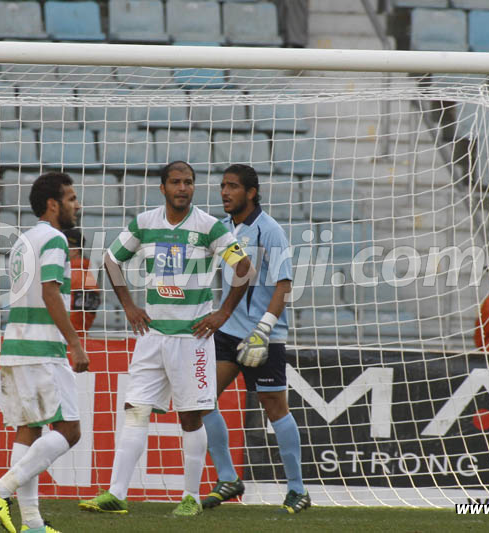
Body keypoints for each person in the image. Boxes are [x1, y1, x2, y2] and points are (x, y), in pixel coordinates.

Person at [78, 161, 254, 517]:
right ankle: (116, 493)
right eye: (175, 182)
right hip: (152, 335)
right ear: (163, 188)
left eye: (188, 182)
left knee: (191, 417)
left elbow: (244, 267)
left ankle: (190, 497)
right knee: (135, 410)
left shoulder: (209, 226)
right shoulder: (145, 223)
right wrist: (129, 306)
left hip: (192, 339)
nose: (182, 188)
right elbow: (111, 260)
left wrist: (222, 313)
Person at [0, 172, 90, 533]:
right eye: (71, 199)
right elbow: (49, 292)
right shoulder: (56, 240)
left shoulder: (23, 240)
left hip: (15, 345)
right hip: (43, 349)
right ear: (53, 204)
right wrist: (75, 343)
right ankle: (2, 489)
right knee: (69, 430)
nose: (77, 205)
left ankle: (32, 523)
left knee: (29, 430)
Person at [201, 164, 310, 513]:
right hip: (228, 332)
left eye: (232, 186)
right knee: (201, 399)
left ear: (251, 192)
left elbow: (283, 286)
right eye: (222, 186)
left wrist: (263, 329)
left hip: (264, 336)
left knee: (275, 408)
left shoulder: (270, 230)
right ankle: (228, 478)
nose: (224, 192)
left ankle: (297, 490)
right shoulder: (222, 229)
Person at [62, 228, 101, 334]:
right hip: (78, 336)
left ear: (74, 250)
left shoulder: (68, 275)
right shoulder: (89, 277)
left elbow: (78, 317)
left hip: (64, 337)